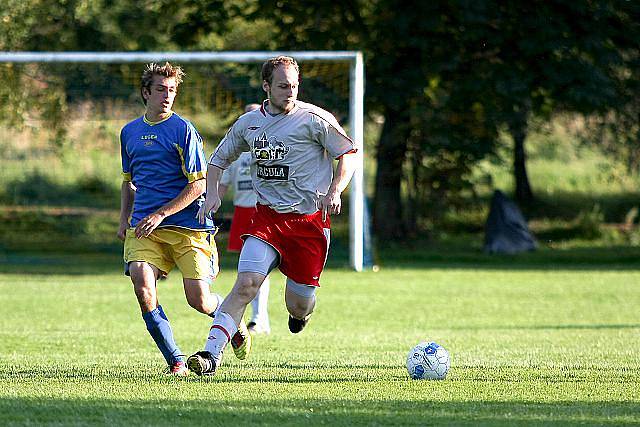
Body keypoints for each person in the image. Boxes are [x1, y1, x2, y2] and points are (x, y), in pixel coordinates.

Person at [187, 56, 357, 376]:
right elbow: (217, 161)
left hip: (308, 223)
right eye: (282, 86)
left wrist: (335, 190)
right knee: (246, 284)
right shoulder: (249, 123)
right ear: (266, 87)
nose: (289, 92)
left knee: (299, 303)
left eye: (294, 85)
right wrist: (212, 195)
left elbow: (348, 154)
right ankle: (210, 356)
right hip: (266, 218)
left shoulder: (314, 119)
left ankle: (300, 314)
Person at [117, 62, 251, 376]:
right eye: (161, 89)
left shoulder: (183, 130)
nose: (167, 96)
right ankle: (175, 360)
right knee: (141, 283)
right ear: (146, 92)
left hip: (188, 227)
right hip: (145, 227)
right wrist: (124, 219)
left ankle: (232, 319)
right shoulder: (129, 133)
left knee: (200, 301)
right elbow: (128, 181)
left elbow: (199, 184)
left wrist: (163, 212)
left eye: (172, 90)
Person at [219, 103, 271, 335]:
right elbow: (222, 184)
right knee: (247, 269)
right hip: (242, 211)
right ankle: (248, 317)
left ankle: (260, 318)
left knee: (261, 268)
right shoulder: (237, 152)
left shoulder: (272, 146)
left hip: (263, 210)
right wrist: (209, 208)